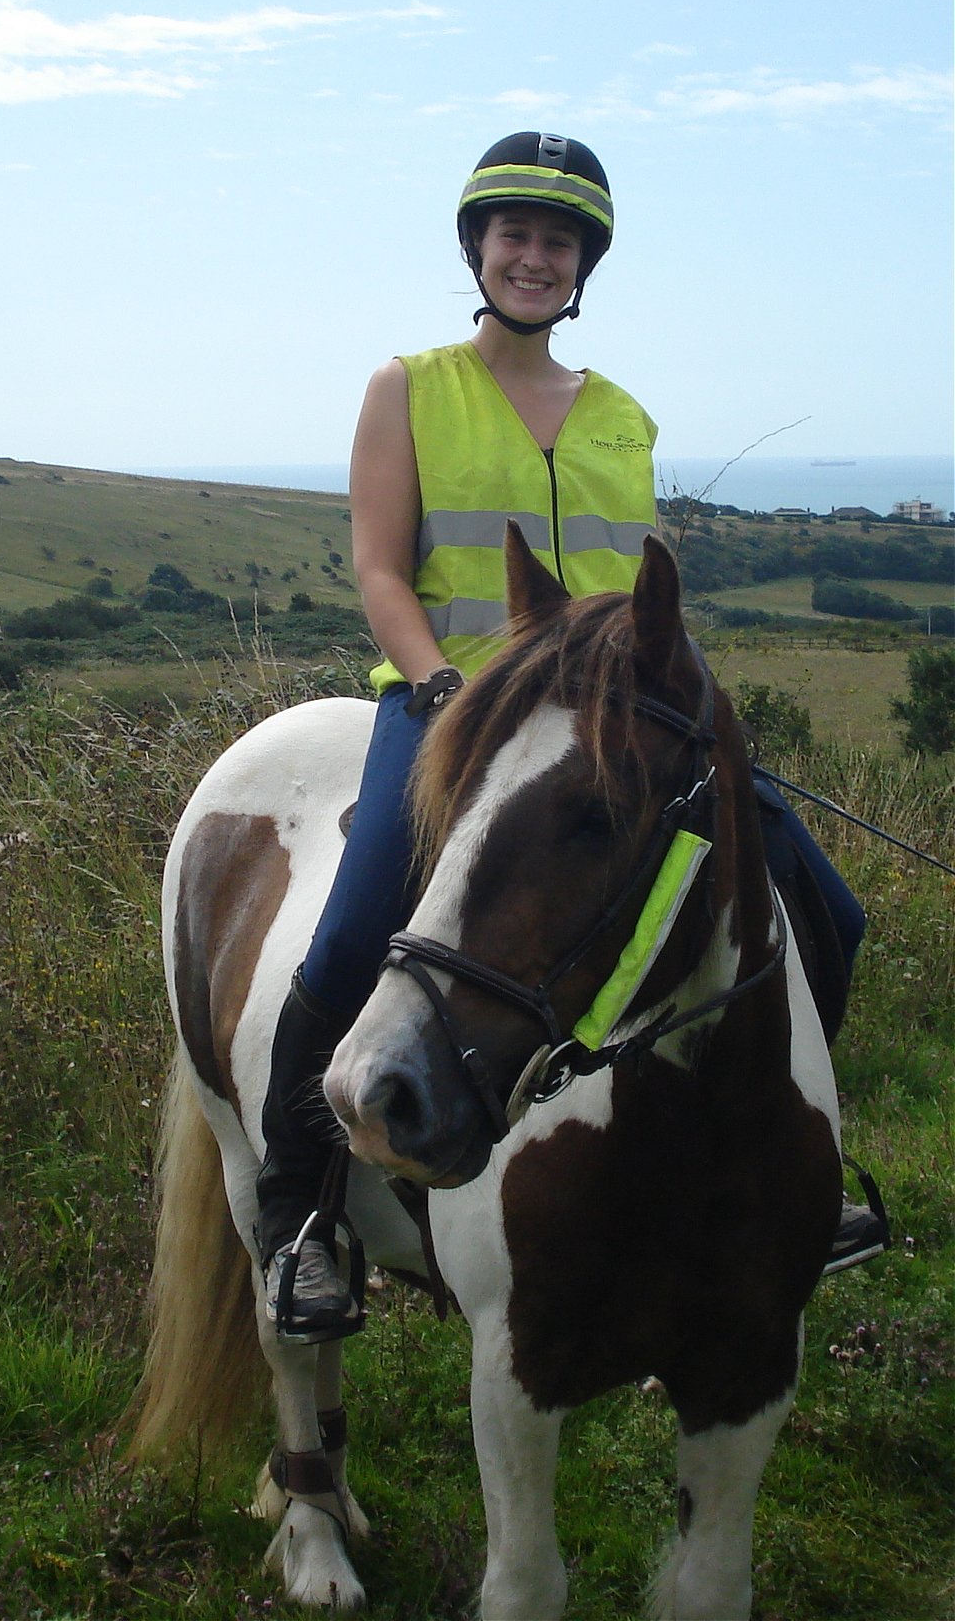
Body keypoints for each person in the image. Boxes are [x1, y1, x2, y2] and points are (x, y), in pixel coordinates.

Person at [255, 131, 885, 1344]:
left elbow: (630, 599)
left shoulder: (622, 415)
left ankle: (791, 1161)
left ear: (583, 263)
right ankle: (303, 1218)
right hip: (451, 706)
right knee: (348, 935)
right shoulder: (408, 387)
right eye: (516, 236)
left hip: (606, 723)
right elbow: (380, 569)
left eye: (558, 242)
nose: (535, 258)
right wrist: (441, 684)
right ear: (478, 249)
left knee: (823, 908)